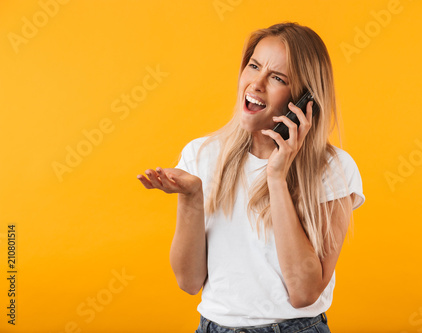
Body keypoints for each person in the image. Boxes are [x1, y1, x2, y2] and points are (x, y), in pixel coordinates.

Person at [137, 22, 365, 333]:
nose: (255, 84)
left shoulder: (333, 168)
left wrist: (276, 178)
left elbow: (304, 292)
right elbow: (188, 282)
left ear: (304, 100)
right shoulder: (201, 155)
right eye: (253, 66)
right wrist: (191, 198)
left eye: (277, 78)